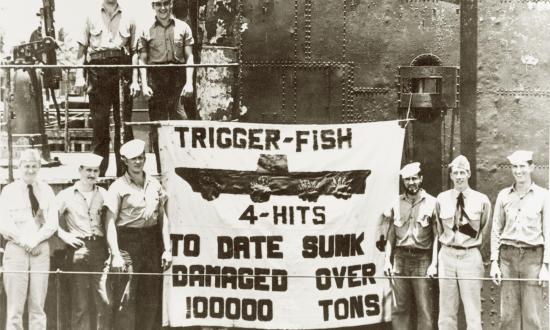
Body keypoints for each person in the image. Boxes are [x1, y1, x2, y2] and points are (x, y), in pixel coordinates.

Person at [103, 139, 172, 329]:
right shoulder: (117, 187)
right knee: (127, 297)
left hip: (151, 243)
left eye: (141, 158)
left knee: (150, 297)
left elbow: (162, 217)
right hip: (128, 242)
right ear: (125, 160)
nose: (138, 162)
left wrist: (167, 249)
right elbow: (109, 223)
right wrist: (116, 254)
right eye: (133, 159)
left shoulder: (155, 184)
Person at [75, 0, 139, 177]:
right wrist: (79, 76)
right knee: (99, 124)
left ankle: (125, 175)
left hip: (122, 71)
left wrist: (135, 80)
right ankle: (97, 175)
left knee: (124, 125)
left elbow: (135, 53)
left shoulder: (130, 16)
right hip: (97, 71)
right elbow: (81, 51)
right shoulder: (89, 15)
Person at [490, 150, 549, 330]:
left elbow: (548, 232)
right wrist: (494, 262)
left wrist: (545, 267)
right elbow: (496, 230)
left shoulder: (544, 196)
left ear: (531, 167)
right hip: (507, 258)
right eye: (515, 167)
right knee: (508, 316)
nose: (518, 171)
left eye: (522, 166)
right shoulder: (503, 195)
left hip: (533, 258)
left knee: (532, 316)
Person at [0, 149, 58, 329]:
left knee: (38, 306)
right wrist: (26, 243)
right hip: (16, 250)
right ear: (19, 167)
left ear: (40, 166)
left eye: (34, 166)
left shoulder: (47, 190)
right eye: (27, 166)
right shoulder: (8, 191)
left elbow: (52, 223)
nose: (30, 170)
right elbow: (4, 224)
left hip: (40, 250)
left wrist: (34, 242)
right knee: (15, 308)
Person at [136, 0, 196, 172]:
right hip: (157, 79)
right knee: (158, 126)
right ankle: (162, 169)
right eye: (158, 4)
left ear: (171, 4)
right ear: (153, 7)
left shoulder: (183, 27)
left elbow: (189, 57)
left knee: (182, 123)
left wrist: (189, 82)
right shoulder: (145, 29)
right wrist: (144, 85)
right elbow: (142, 59)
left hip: (177, 79)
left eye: (166, 3)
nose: (162, 8)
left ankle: (184, 168)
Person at [435, 155, 491, 330]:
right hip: (447, 256)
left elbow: (485, 230)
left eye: (463, 172)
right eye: (455, 173)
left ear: (469, 174)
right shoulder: (442, 199)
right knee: (446, 312)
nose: (459, 176)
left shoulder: (481, 200)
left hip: (470, 256)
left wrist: (472, 251)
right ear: (451, 176)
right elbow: (439, 228)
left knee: (473, 311)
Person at [56, 153, 110, 329]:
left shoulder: (104, 194)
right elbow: (49, 221)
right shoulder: (66, 194)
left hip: (100, 249)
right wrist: (65, 236)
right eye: (88, 170)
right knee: (80, 302)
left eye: (95, 171)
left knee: (103, 299)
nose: (92, 174)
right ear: (80, 170)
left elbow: (111, 222)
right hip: (78, 249)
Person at [383, 162, 438, 330]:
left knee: (424, 308)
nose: (411, 182)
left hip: (422, 259)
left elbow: (437, 236)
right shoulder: (395, 203)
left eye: (414, 178)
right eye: (407, 179)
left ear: (421, 179)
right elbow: (391, 234)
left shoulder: (432, 202)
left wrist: (433, 264)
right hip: (400, 258)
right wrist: (387, 260)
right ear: (403, 181)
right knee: (400, 307)